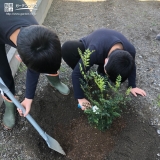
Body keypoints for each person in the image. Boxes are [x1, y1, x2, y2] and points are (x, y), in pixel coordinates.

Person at [0, 0, 70, 129]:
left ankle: (54, 80)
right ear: (19, 58)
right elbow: (32, 64)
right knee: (3, 72)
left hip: (7, 8)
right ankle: (10, 103)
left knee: (45, 57)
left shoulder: (38, 33)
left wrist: (28, 98)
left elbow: (36, 60)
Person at [62, 28, 146, 110]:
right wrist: (80, 98)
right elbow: (76, 74)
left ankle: (101, 73)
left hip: (107, 50)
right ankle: (87, 75)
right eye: (107, 72)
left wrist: (132, 86)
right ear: (105, 60)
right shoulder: (94, 51)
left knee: (103, 79)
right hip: (92, 44)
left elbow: (131, 65)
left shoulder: (130, 51)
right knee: (67, 48)